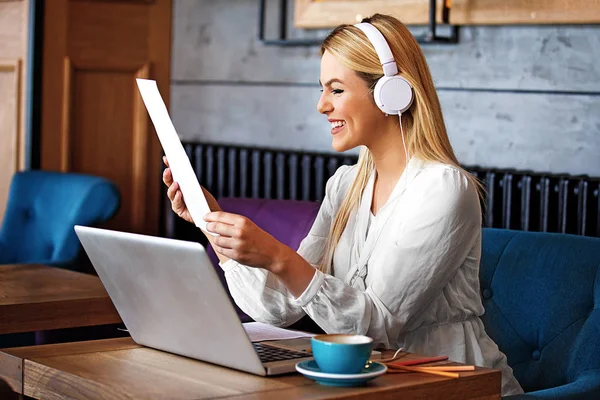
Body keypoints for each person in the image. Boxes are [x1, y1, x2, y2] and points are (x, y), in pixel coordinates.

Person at [163, 14, 523, 395]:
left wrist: (279, 256)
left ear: (392, 93)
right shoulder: (346, 185)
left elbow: (376, 327)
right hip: (372, 384)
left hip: (457, 387)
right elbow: (281, 309)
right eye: (322, 90)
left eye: (336, 90)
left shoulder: (444, 188)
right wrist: (210, 220)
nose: (321, 105)